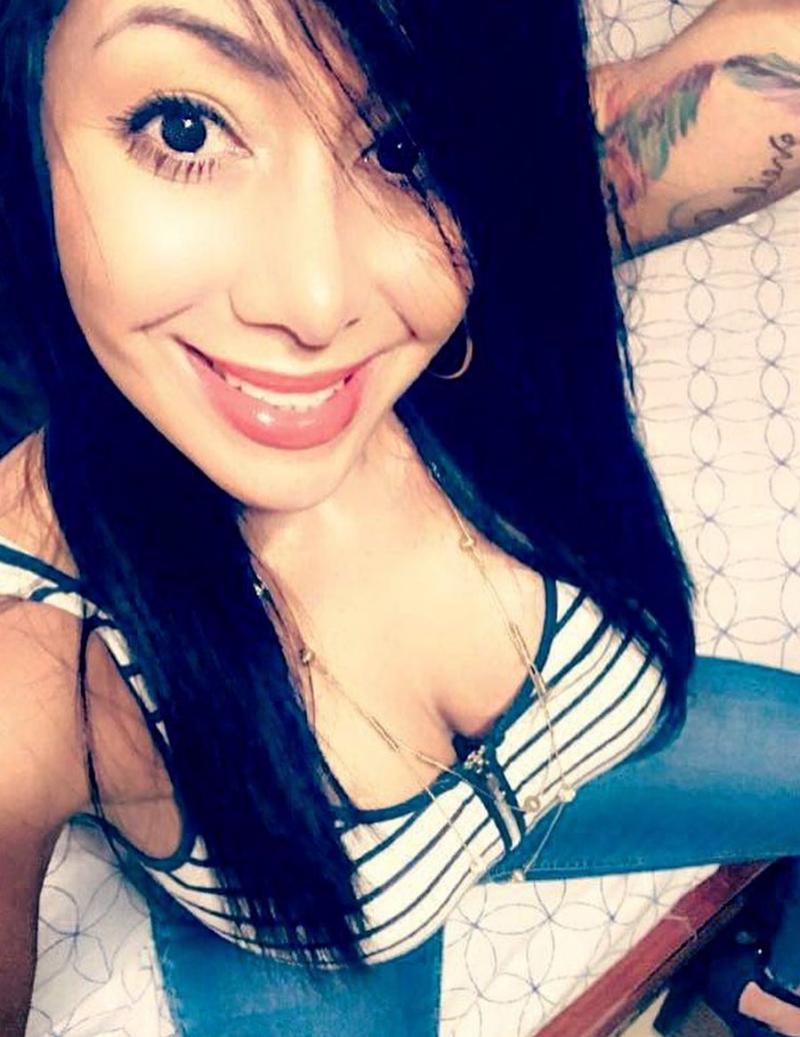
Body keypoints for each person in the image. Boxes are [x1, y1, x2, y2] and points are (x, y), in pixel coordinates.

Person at [0, 2, 797, 1037]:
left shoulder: (493, 227)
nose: (317, 300)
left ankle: (767, 986)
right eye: (184, 128)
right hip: (310, 933)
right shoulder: (30, 648)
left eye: (403, 145)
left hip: (578, 764)